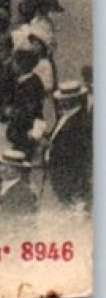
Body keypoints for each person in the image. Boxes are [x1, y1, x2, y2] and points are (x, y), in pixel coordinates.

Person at [46, 81, 91, 210]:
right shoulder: (65, 117)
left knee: (71, 203)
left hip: (68, 171)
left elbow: (73, 149)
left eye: (62, 100)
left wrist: (49, 146)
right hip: (60, 169)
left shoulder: (79, 121)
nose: (59, 102)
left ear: (71, 101)